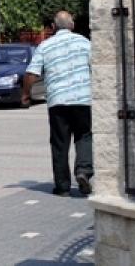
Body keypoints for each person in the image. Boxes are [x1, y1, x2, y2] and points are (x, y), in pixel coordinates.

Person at [23, 10, 93, 196]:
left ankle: (62, 187)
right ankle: (84, 171)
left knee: (60, 143)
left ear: (53, 27)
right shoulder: (85, 43)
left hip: (58, 102)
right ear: (72, 25)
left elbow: (31, 74)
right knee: (84, 136)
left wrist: (25, 95)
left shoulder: (45, 46)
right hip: (83, 99)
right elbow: (97, 67)